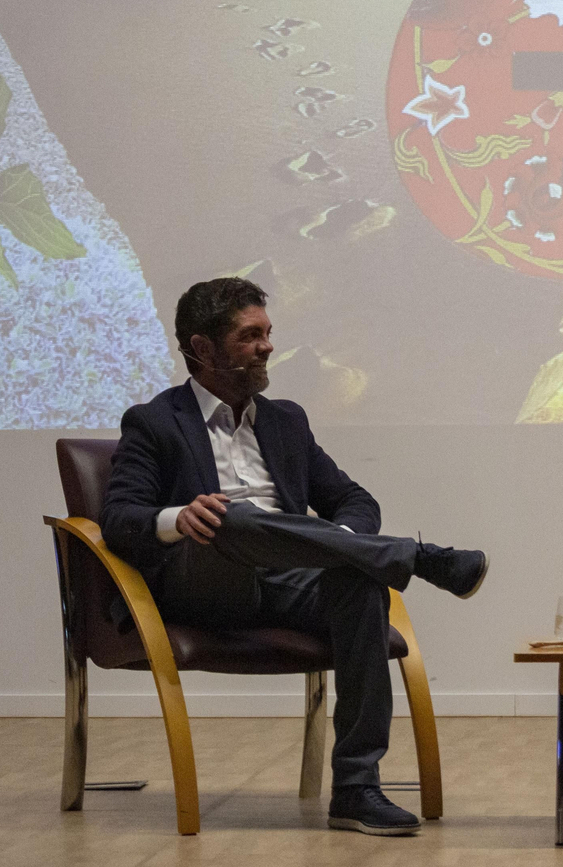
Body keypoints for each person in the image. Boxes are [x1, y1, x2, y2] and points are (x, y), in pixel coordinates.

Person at [101, 277, 488, 837]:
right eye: (249, 335)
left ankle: (356, 789)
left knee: (359, 583)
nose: (266, 347)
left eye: (267, 333)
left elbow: (353, 499)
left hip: (287, 581)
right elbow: (118, 516)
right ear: (201, 348)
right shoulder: (156, 422)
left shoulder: (285, 420)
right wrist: (177, 517)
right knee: (230, 515)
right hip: (205, 582)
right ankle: (418, 558)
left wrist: (348, 543)